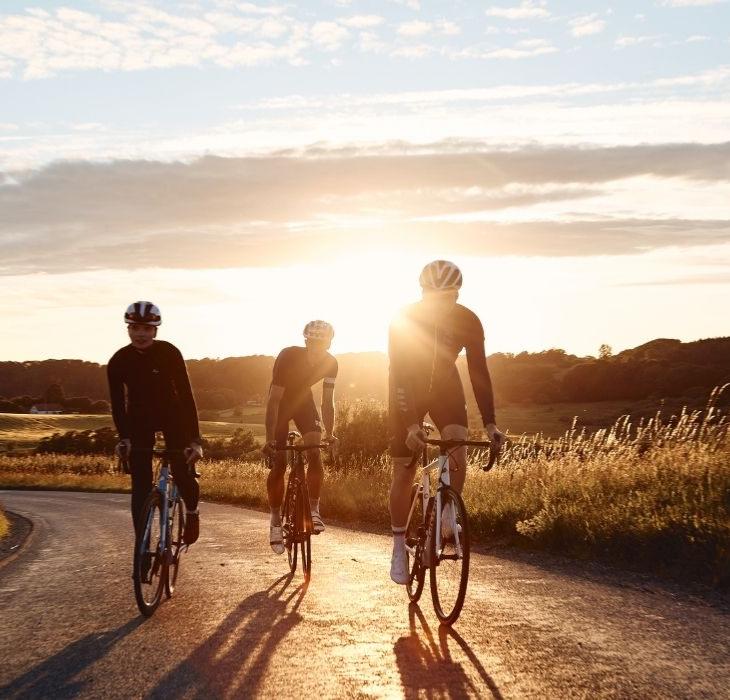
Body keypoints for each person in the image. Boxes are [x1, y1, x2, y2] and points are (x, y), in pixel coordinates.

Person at [388, 260, 505, 584]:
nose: (442, 305)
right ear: (423, 294)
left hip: (445, 388)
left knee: (457, 443)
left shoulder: (468, 319)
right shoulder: (404, 318)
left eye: (449, 297)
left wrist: (491, 423)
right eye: (434, 298)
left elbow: (479, 372)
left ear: (457, 294)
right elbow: (398, 372)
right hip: (406, 389)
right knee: (404, 468)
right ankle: (399, 546)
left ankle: (446, 514)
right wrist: (411, 423)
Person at [107, 301, 203, 545]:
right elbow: (118, 404)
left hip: (173, 416)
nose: (141, 334)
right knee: (139, 483)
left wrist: (195, 440)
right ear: (128, 329)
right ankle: (142, 542)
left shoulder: (169, 353)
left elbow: (186, 395)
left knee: (182, 473)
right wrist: (124, 438)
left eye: (147, 329)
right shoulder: (119, 360)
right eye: (136, 328)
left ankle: (192, 513)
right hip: (139, 420)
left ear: (155, 331)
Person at [262, 320, 339, 554]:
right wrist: (269, 439)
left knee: (315, 451)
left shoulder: (331, 363)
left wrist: (331, 433)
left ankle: (314, 510)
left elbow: (327, 402)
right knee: (280, 462)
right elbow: (274, 400)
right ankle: (275, 521)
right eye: (313, 342)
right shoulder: (288, 356)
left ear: (329, 343)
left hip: (303, 402)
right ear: (306, 341)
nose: (317, 347)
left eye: (322, 343)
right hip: (281, 403)